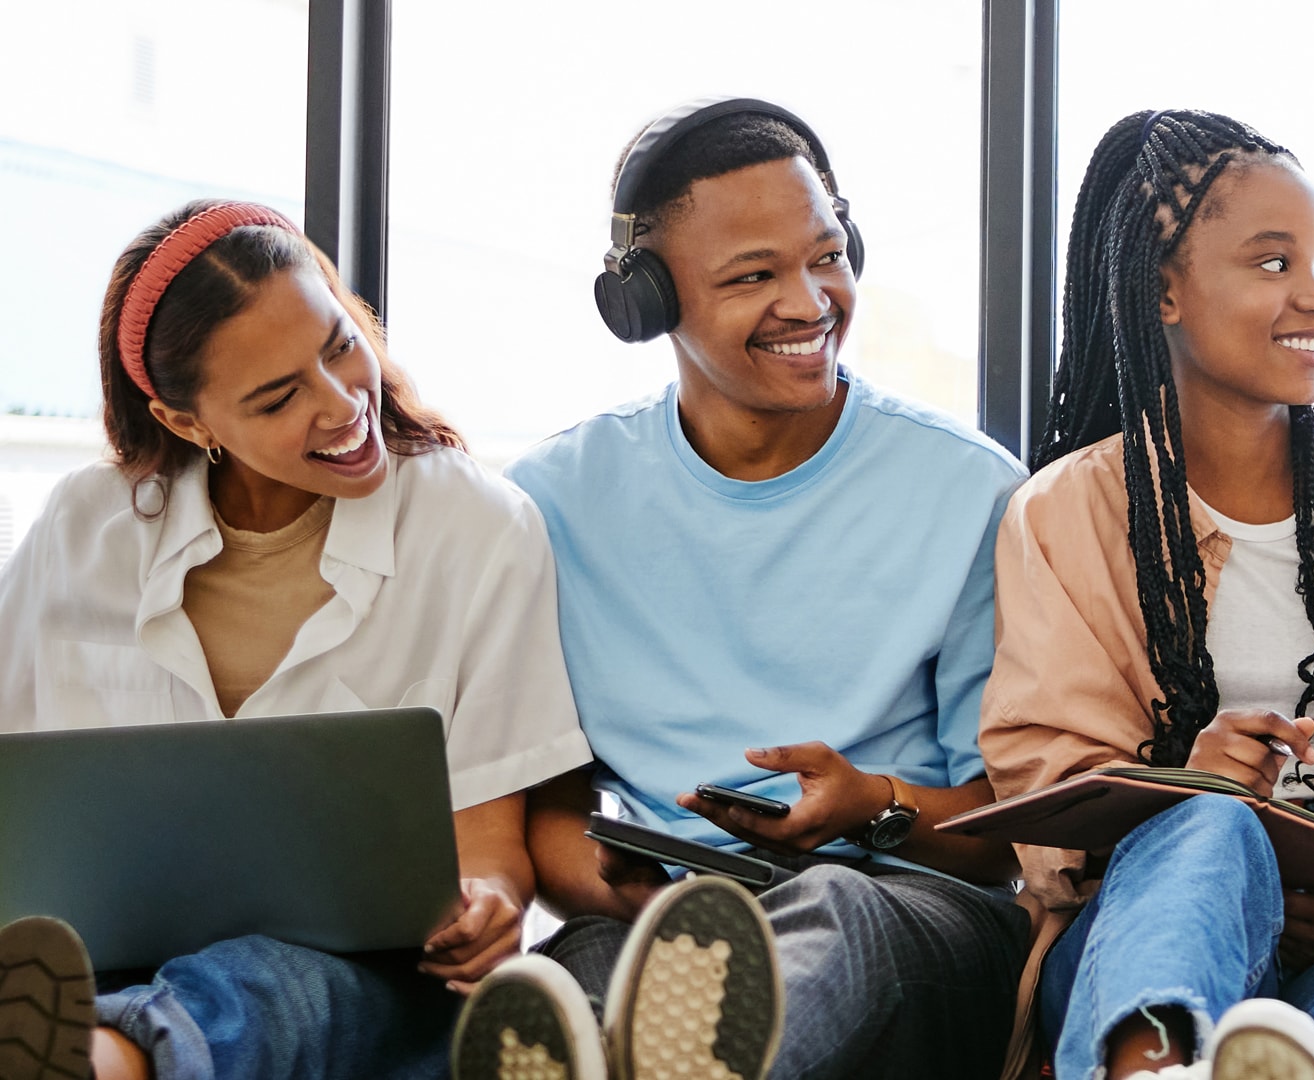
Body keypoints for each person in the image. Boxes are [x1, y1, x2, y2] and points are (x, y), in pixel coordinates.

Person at [451, 100, 1029, 1080]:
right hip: (663, 916)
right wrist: (611, 880)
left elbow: (1001, 840)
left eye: (827, 255)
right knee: (572, 982)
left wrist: (870, 805)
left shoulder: (971, 490)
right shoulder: (553, 503)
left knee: (834, 912)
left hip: (908, 909)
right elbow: (541, 810)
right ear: (646, 302)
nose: (810, 303)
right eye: (754, 276)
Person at [0, 201, 592, 1080]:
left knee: (270, 984)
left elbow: (490, 846)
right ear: (185, 423)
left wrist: (489, 906)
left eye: (338, 344)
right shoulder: (85, 526)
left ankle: (108, 1060)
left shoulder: (477, 527)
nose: (342, 402)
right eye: (278, 396)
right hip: (104, 953)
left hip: (361, 982)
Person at [979, 109, 1314, 1080]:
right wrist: (1186, 786)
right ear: (1164, 290)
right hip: (1142, 930)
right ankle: (1151, 1065)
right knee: (1208, 829)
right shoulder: (1066, 514)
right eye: (1271, 263)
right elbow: (1047, 815)